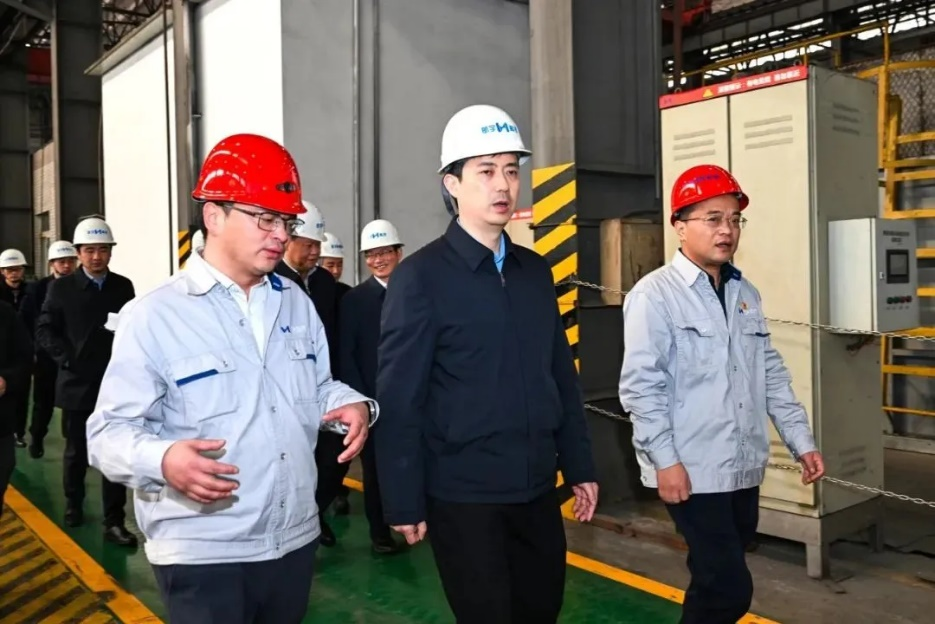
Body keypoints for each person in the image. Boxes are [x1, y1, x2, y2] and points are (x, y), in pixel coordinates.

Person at [86, 133, 377, 624]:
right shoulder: (155, 315)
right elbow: (106, 434)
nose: (281, 235)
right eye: (265, 218)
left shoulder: (295, 303)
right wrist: (164, 459)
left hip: (293, 541)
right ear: (214, 216)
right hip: (203, 552)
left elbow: (316, 387)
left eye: (286, 221)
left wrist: (351, 404)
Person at [374, 104, 599, 623]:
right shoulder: (421, 278)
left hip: (537, 490)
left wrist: (579, 465)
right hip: (464, 496)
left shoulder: (533, 272)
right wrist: (402, 499)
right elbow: (400, 398)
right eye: (486, 171)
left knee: (541, 611)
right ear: (452, 183)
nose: (503, 185)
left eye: (512, 171)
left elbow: (560, 377)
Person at [618, 164, 826, 624]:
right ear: (679, 225)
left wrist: (802, 440)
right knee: (729, 589)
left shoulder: (744, 292)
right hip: (691, 469)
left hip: (742, 465)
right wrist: (666, 461)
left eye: (734, 219)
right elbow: (642, 388)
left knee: (713, 582)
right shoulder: (655, 296)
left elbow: (770, 373)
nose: (727, 230)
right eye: (713, 218)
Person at [35, 218, 138, 546]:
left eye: (103, 250)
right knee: (76, 451)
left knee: (114, 452)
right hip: (77, 384)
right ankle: (74, 503)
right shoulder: (61, 289)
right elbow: (44, 329)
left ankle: (114, 520)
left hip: (115, 384)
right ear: (78, 253)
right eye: (90, 250)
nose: (96, 257)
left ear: (110, 252)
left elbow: (133, 329)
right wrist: (65, 359)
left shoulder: (123, 287)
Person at [274, 202, 351, 544]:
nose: (315, 252)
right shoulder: (272, 280)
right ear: (289, 240)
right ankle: (299, 524)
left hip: (325, 388)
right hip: (287, 392)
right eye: (308, 245)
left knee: (333, 460)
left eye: (317, 245)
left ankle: (315, 512)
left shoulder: (323, 283)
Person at [339, 219, 405, 555]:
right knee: (376, 472)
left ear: (398, 253)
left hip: (415, 400)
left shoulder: (416, 292)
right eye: (371, 255)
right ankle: (381, 535)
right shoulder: (355, 301)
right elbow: (346, 354)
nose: (378, 260)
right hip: (374, 402)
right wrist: (361, 401)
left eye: (384, 252)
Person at [19, 239, 78, 458]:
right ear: (52, 263)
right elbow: (26, 321)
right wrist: (33, 351)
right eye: (61, 261)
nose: (66, 266)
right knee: (43, 402)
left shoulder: (81, 286)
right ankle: (37, 437)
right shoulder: (38, 289)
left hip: (73, 355)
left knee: (74, 403)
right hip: (45, 355)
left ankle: (73, 443)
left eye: (70, 261)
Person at [0, 299, 33, 519]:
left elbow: (24, 356)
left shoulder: (5, 314)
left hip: (1, 419)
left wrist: (6, 380)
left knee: (3, 468)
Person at [0, 248, 30, 449]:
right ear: (2, 271)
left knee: (21, 396)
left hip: (20, 352)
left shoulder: (32, 291)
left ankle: (19, 432)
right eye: (9, 269)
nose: (13, 273)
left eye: (17, 269)